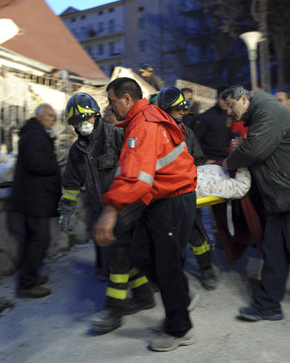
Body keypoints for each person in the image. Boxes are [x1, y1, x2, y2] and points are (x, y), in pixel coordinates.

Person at [94, 77, 197, 352]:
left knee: (167, 266)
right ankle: (181, 294)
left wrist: (110, 210)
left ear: (127, 99)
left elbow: (136, 177)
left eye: (112, 101)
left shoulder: (143, 125)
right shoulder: (145, 118)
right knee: (141, 254)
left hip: (172, 200)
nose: (109, 106)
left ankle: (179, 329)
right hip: (160, 199)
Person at [222, 85, 290, 321]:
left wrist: (229, 162)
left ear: (243, 99)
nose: (229, 113)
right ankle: (268, 305)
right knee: (273, 251)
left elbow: (255, 150)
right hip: (279, 194)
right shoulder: (257, 115)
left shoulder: (267, 111)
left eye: (231, 107)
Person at [57, 92, 154, 333]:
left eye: (87, 119)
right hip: (105, 213)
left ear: (96, 116)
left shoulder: (116, 136)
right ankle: (144, 296)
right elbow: (70, 184)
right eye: (78, 123)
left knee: (117, 258)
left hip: (128, 208)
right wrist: (66, 210)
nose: (83, 125)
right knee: (123, 256)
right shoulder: (77, 152)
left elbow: (138, 165)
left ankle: (114, 309)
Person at [157, 86, 217, 290]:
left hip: (185, 193)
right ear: (165, 109)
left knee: (196, 234)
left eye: (184, 108)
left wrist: (202, 168)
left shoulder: (186, 132)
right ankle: (169, 276)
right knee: (167, 239)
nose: (183, 112)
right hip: (162, 196)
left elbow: (197, 158)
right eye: (178, 109)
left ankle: (206, 268)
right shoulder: (153, 133)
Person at [9, 103, 61, 298]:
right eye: (50, 116)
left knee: (33, 240)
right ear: (39, 116)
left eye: (54, 116)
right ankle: (27, 284)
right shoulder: (36, 135)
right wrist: (54, 166)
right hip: (35, 198)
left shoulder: (35, 133)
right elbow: (35, 163)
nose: (53, 120)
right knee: (39, 240)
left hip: (34, 197)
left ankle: (30, 276)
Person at [0, 66, 31, 153]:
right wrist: (30, 111)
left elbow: (0, 97)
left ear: (2, 72)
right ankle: (23, 152)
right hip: (20, 109)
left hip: (8, 108)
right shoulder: (20, 81)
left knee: (7, 132)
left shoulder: (4, 81)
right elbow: (27, 96)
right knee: (21, 133)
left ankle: (10, 154)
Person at [193, 85, 232, 163]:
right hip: (211, 159)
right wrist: (204, 160)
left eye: (227, 98)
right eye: (222, 98)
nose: (225, 101)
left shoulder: (233, 115)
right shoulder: (205, 117)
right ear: (217, 98)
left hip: (228, 159)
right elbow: (195, 141)